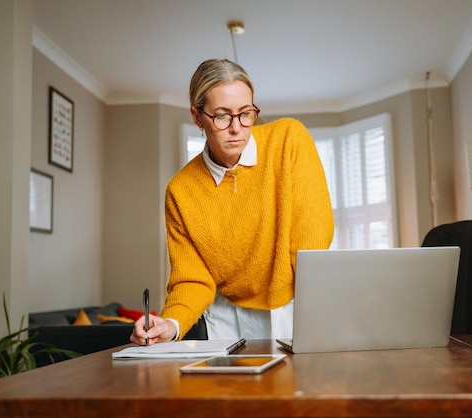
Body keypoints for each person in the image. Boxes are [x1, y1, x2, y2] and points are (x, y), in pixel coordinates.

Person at [131, 58, 334, 346]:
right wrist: (171, 323)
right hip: (226, 319)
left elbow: (312, 239)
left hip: (293, 304)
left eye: (245, 113)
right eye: (222, 116)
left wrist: (317, 311)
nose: (237, 128)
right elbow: (192, 279)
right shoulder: (181, 190)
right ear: (197, 116)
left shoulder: (289, 140)